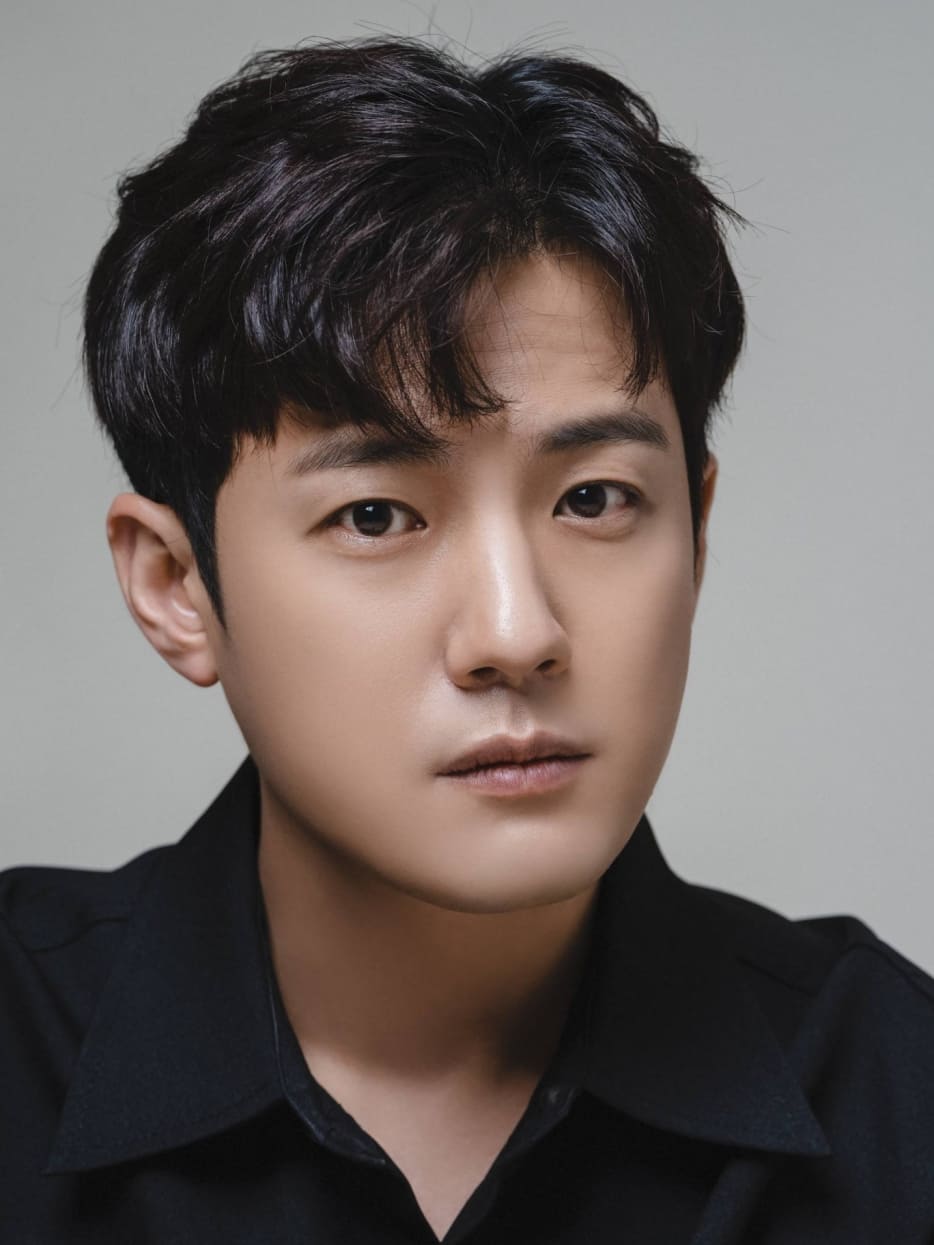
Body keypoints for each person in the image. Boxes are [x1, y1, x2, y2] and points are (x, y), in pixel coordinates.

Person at [2, 35, 932, 1244]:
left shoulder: (894, 1089)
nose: (515, 633)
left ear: (696, 534)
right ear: (177, 586)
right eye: (375, 516)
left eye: (592, 499)